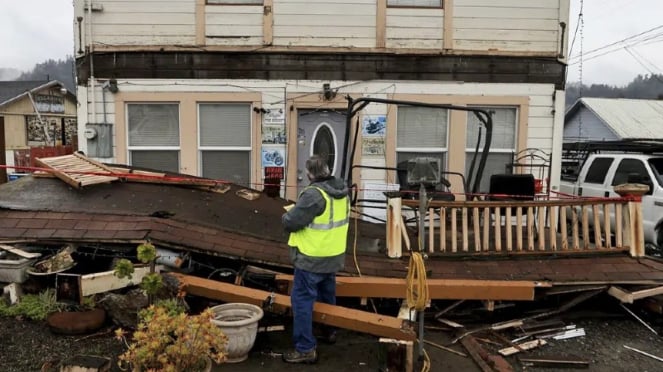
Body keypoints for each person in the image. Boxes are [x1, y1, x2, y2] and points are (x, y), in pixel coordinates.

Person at [281, 155, 350, 364]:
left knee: (301, 301)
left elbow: (291, 222)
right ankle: (329, 331)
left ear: (310, 174)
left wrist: (287, 215)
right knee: (327, 295)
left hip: (311, 258)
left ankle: (305, 348)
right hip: (332, 256)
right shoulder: (342, 191)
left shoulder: (314, 195)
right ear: (328, 170)